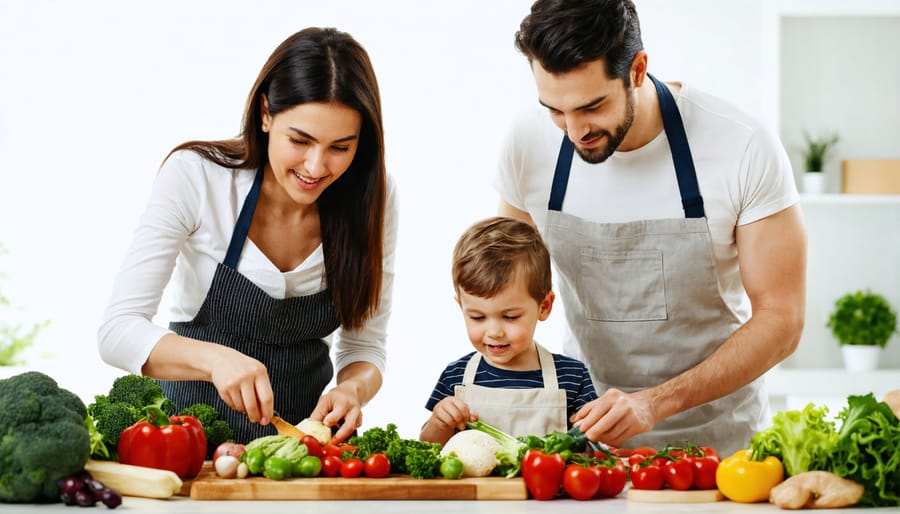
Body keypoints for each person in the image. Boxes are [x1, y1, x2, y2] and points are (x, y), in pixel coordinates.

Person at [494, 0, 807, 457]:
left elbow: (783, 320)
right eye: (555, 110)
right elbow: (502, 285)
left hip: (720, 450)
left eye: (592, 106)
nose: (574, 130)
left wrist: (655, 403)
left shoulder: (741, 146)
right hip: (585, 447)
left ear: (637, 69)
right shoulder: (528, 142)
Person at [97, 27, 396, 445]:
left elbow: (366, 346)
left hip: (299, 458)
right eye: (300, 140)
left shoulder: (370, 197)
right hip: (186, 449)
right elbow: (117, 332)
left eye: (340, 147)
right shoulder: (198, 176)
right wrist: (214, 360)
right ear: (265, 113)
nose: (315, 166)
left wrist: (352, 389)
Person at [420, 216, 598, 445]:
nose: (494, 332)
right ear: (461, 307)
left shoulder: (573, 377)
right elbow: (428, 444)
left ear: (543, 307)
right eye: (477, 317)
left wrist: (594, 435)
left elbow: (593, 447)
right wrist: (439, 422)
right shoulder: (455, 377)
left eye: (510, 317)